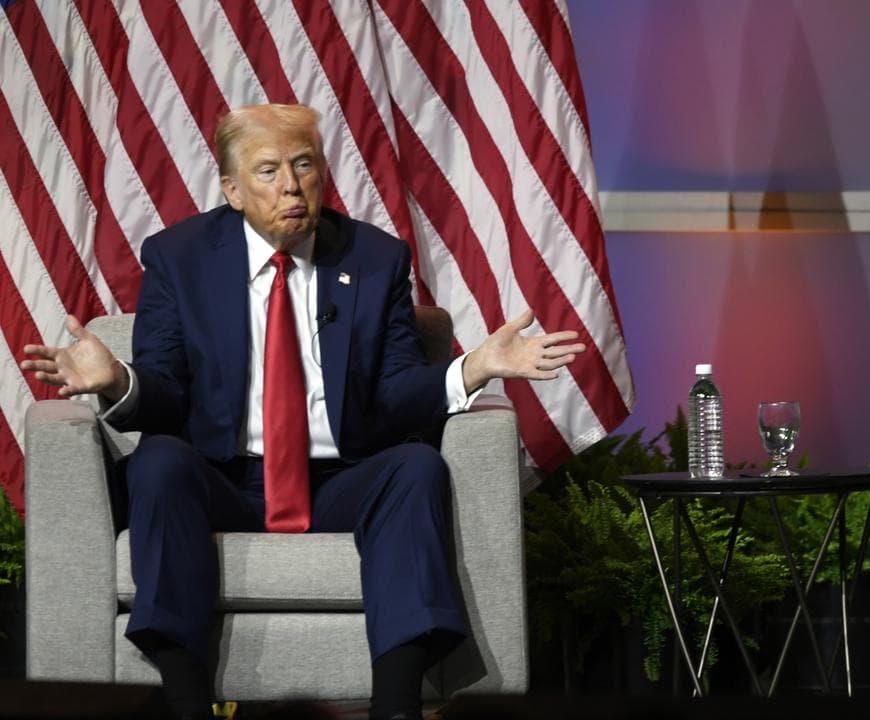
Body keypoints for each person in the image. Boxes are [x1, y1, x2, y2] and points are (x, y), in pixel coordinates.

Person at [20, 103, 586, 720]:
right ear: (233, 190)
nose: (291, 185)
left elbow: (396, 393)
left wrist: (473, 367)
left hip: (339, 479)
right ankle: (186, 703)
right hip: (223, 478)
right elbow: (168, 395)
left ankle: (395, 706)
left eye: (304, 164)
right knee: (157, 463)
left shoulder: (375, 260)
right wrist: (117, 381)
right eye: (268, 171)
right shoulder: (179, 258)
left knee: (416, 468)